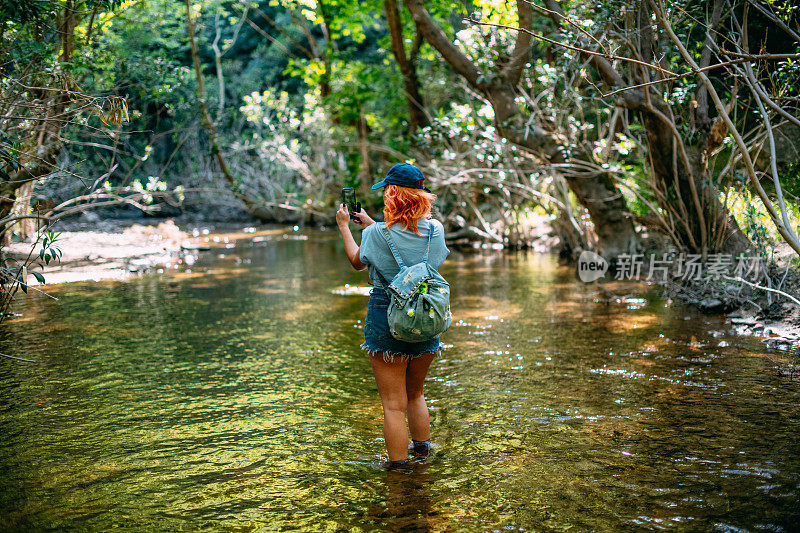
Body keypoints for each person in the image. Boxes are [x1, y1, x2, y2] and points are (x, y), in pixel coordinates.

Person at [336, 163, 449, 471]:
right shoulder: (435, 231)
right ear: (421, 196)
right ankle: (423, 457)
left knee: (393, 405)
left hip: (387, 317)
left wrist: (346, 227)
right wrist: (374, 227)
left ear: (392, 194)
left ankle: (399, 473)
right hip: (426, 316)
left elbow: (358, 262)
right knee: (415, 394)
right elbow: (418, 259)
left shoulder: (374, 234)